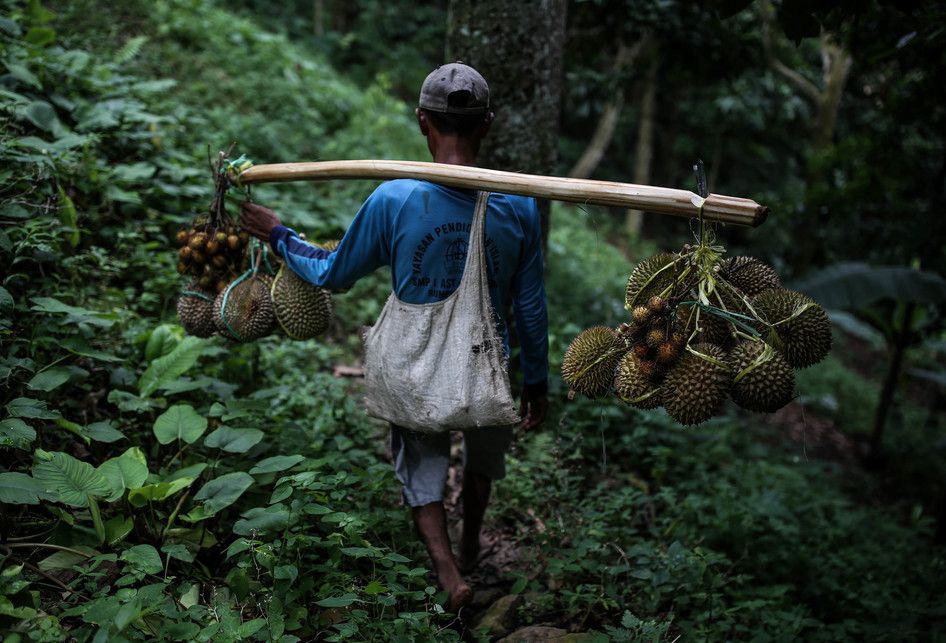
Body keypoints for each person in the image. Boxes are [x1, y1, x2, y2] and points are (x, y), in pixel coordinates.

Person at [240, 62, 549, 612]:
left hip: (416, 364)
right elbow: (529, 305)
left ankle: (449, 572)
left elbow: (332, 272)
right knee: (482, 461)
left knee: (420, 466)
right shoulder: (521, 203)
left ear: (421, 121)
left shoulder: (395, 199)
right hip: (492, 363)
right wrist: (538, 383)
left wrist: (277, 233)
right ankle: (473, 540)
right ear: (488, 124)